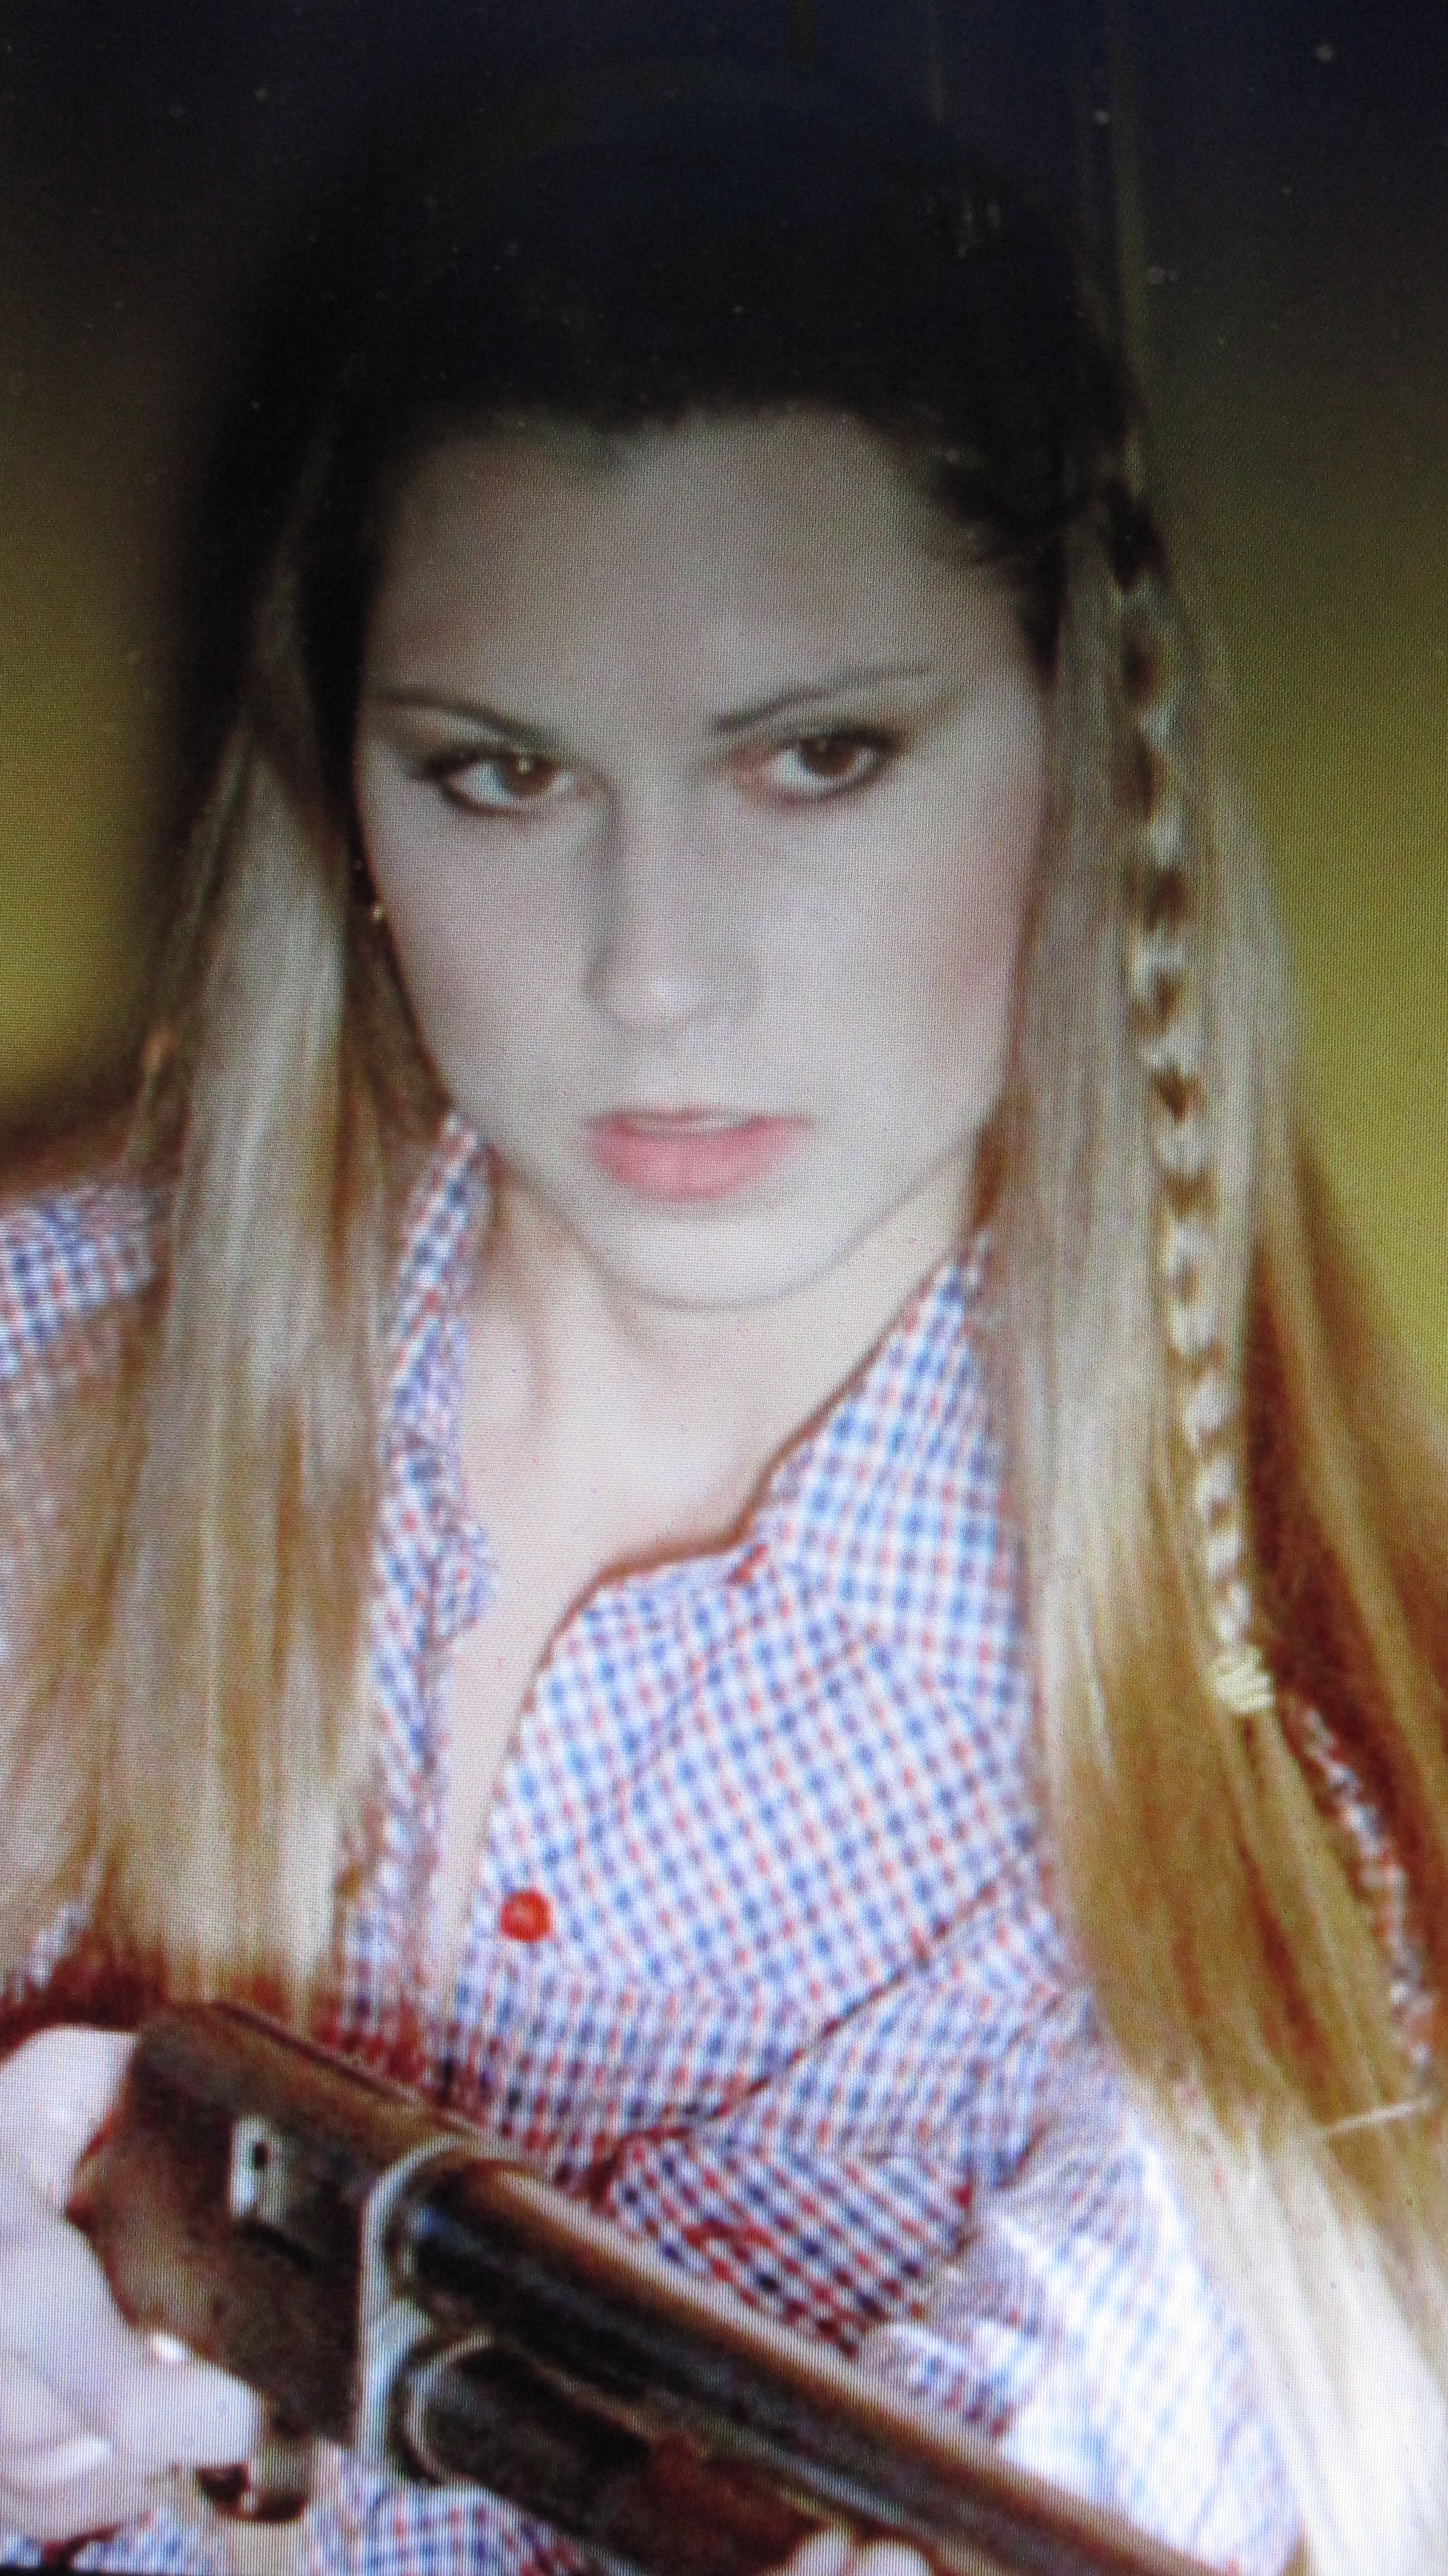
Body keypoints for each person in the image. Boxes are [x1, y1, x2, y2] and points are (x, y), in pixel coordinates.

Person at [0, 64, 1444, 2576]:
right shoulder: (44, 1362)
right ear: (350, 794)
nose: (650, 972)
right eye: (501, 776)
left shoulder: (1290, 1810)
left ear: (1088, 763)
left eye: (817, 760)